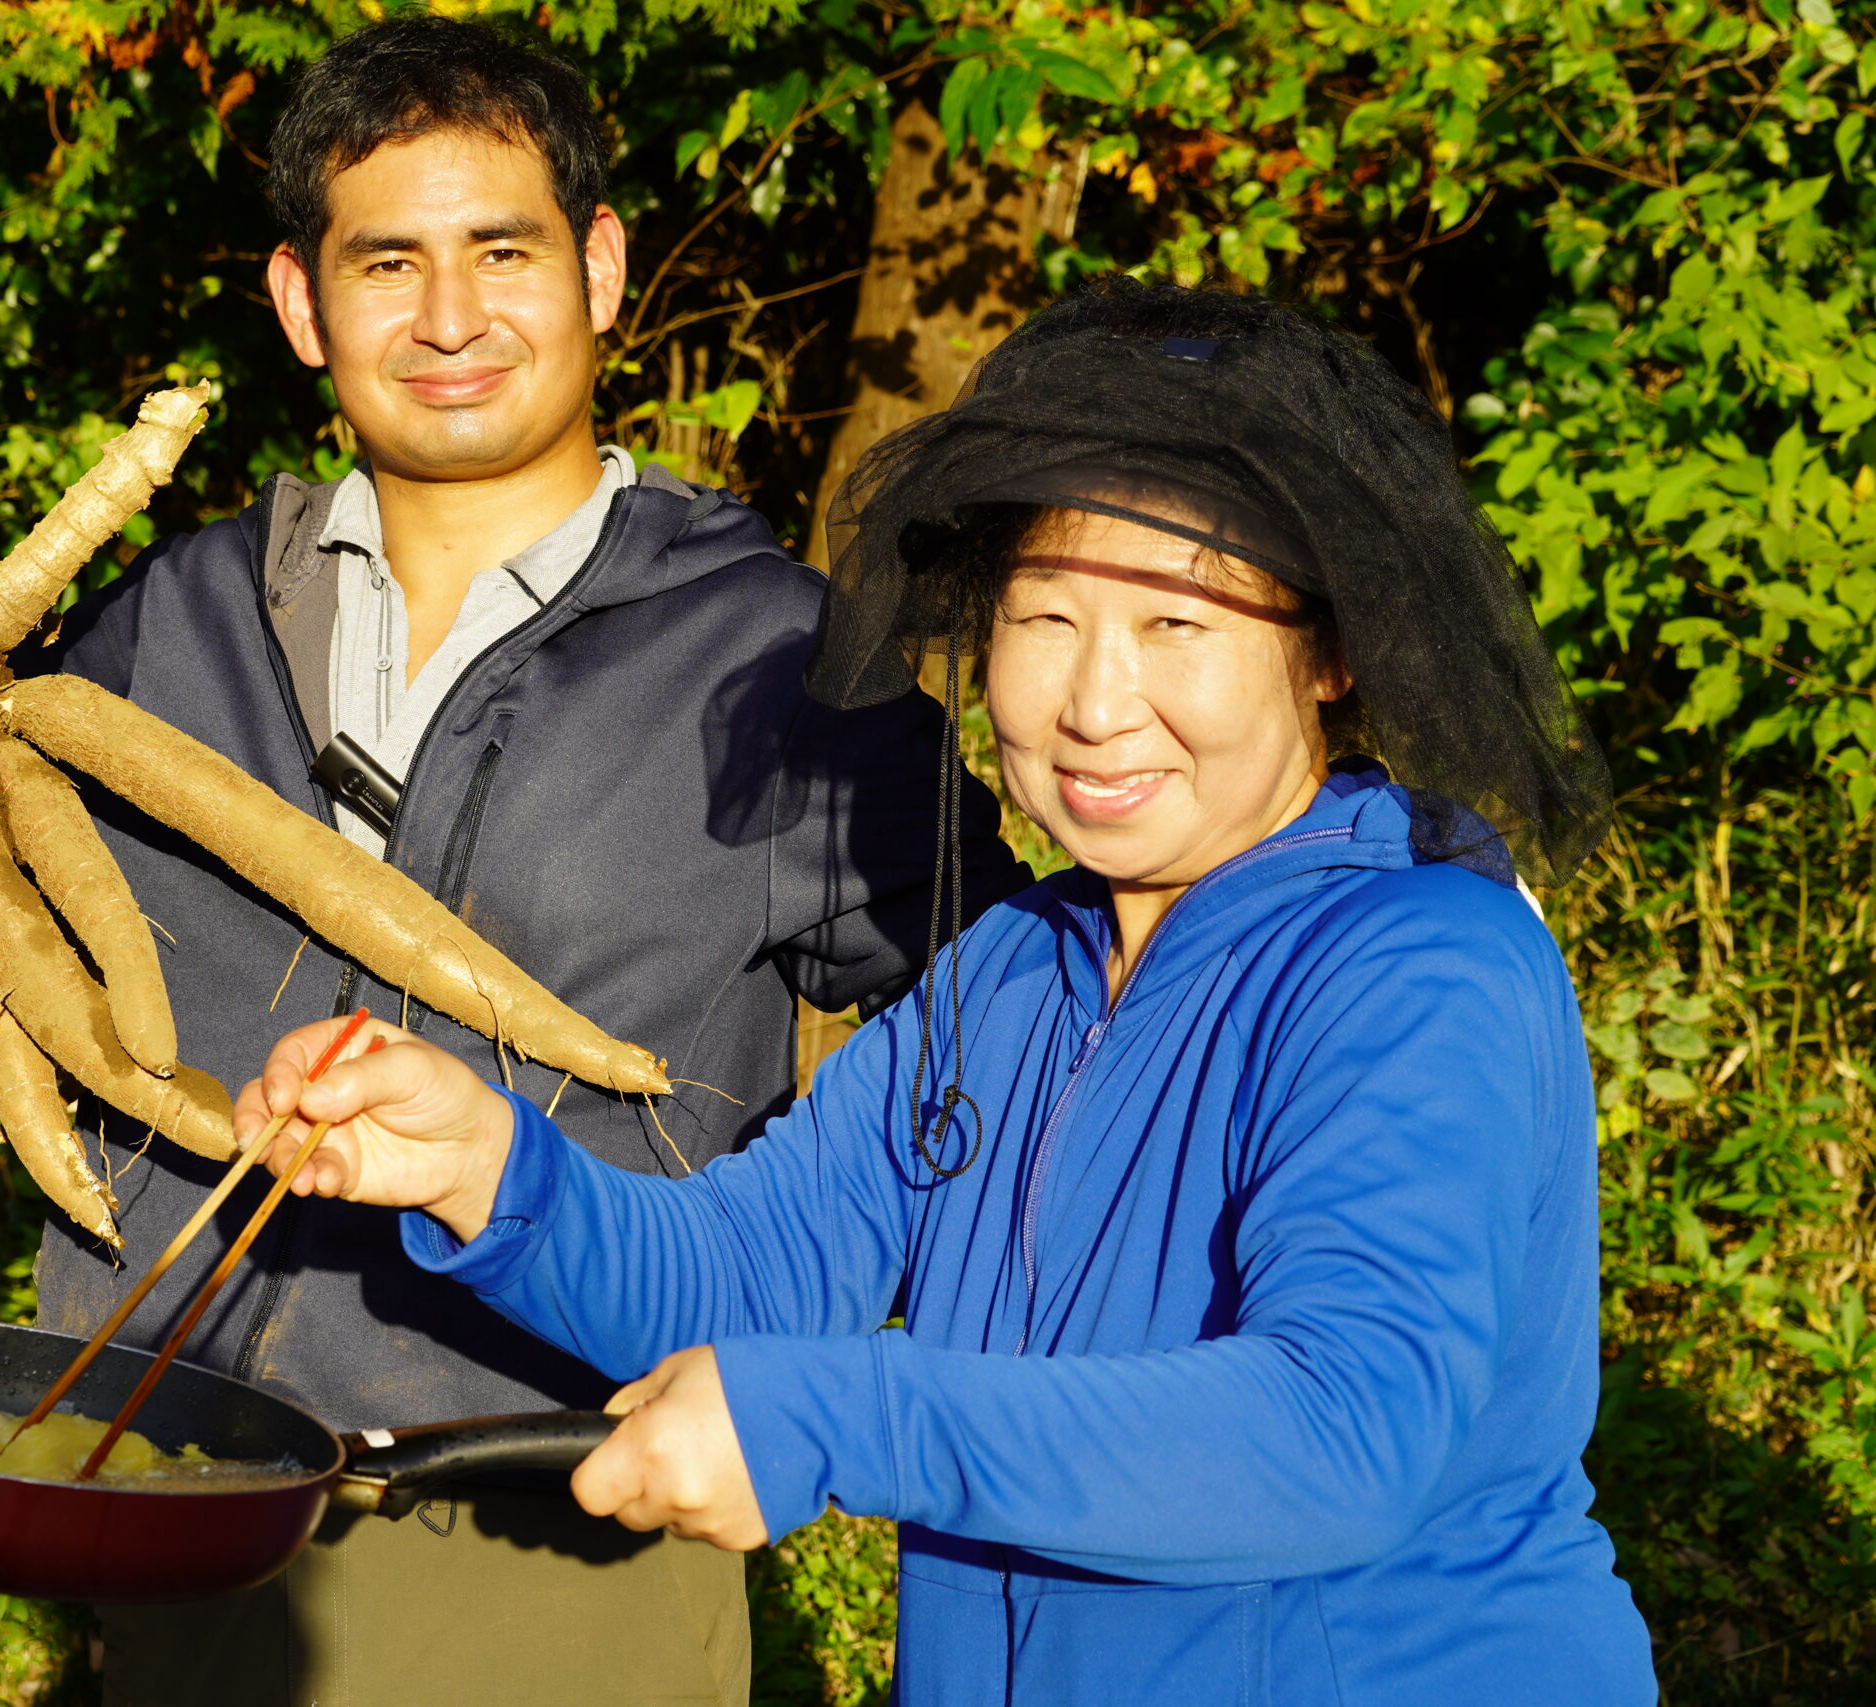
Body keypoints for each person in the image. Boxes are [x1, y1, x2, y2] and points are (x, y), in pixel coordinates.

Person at [0, 18, 1020, 1707]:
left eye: (503, 251)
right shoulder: (172, 619)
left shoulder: (785, 670)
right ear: (306, 306)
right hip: (180, 1513)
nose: (450, 319)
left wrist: (799, 1329)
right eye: (388, 262)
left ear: (599, 270)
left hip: (558, 1531)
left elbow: (1009, 1030)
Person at [235, 280, 1660, 1706]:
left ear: (1332, 654)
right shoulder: (1016, 969)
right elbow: (757, 1272)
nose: (1095, 703)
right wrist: (492, 1171)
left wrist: (844, 1416)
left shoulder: (1417, 962)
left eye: (1177, 627)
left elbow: (1343, 1430)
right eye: (1045, 618)